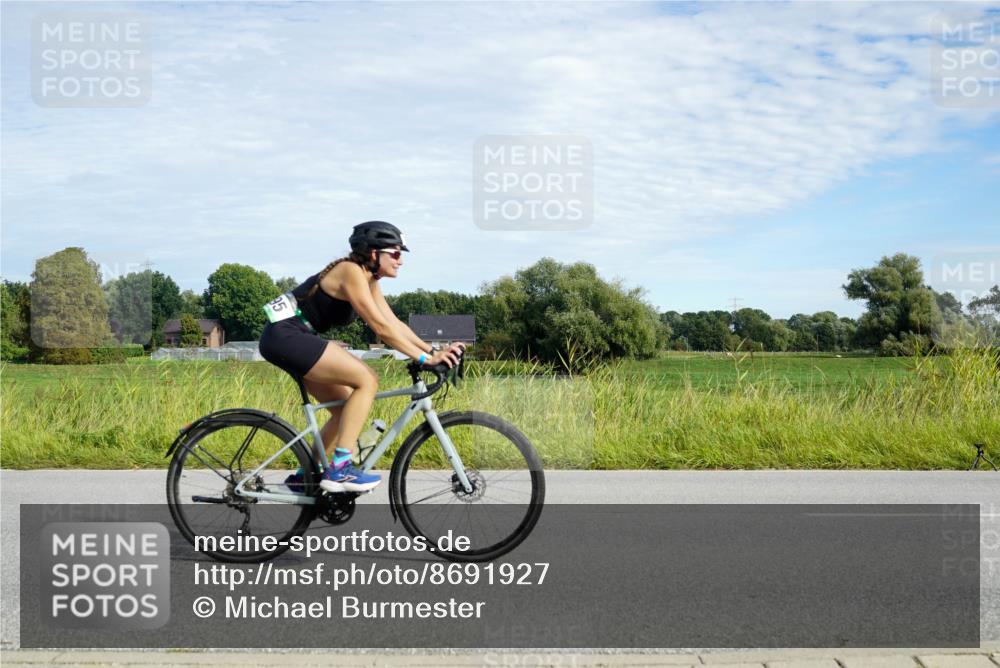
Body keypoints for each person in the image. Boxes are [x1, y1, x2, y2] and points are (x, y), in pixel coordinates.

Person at [257, 221, 464, 493]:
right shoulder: (350, 271)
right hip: (286, 335)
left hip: (292, 337)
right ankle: (340, 469)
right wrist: (426, 360)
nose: (401, 261)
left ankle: (304, 476)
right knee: (367, 380)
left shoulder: (369, 279)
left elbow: (394, 323)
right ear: (373, 253)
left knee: (343, 407)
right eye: (396, 253)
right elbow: (380, 329)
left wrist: (432, 352)